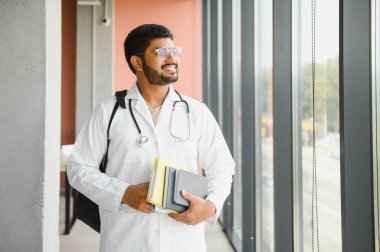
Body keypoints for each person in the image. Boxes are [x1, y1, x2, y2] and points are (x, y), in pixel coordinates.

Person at [67, 24, 235, 252]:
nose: (172, 58)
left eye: (175, 51)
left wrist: (211, 205)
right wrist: (124, 193)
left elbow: (222, 166)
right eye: (161, 52)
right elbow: (78, 168)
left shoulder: (196, 112)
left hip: (183, 241)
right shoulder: (108, 112)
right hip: (125, 240)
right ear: (137, 62)